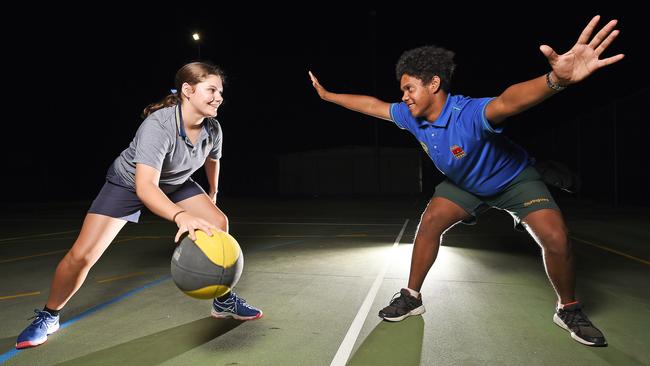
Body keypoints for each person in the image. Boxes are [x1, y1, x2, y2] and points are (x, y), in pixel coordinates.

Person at [309, 16, 622, 347]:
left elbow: (507, 101)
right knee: (429, 223)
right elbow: (372, 105)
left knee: (556, 238)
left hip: (514, 180)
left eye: (409, 88)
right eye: (402, 90)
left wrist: (555, 80)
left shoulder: (468, 114)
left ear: (433, 85)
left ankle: (568, 308)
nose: (404, 97)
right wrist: (328, 96)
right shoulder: (410, 117)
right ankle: (412, 296)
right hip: (464, 185)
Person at [16, 62, 263, 350]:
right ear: (188, 90)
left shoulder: (213, 128)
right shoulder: (158, 126)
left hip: (176, 181)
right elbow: (145, 187)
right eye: (211, 90)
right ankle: (49, 315)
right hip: (129, 183)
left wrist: (213, 192)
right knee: (82, 256)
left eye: (220, 91)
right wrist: (180, 215)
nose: (218, 96)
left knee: (218, 224)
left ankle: (222, 301)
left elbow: (213, 159)